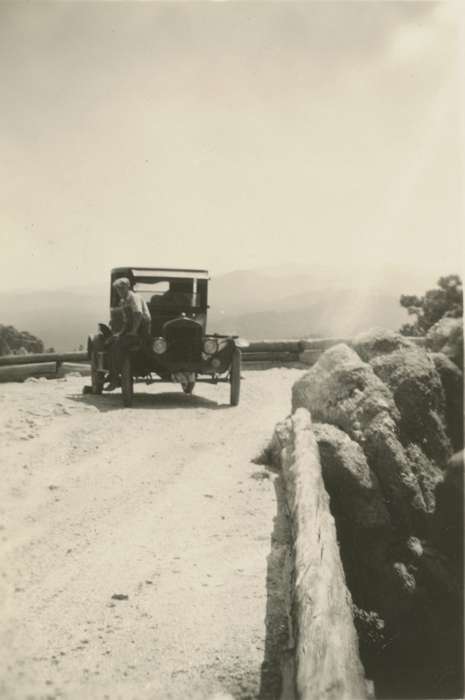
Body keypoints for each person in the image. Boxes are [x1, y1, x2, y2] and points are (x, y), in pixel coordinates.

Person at [105, 278, 151, 390]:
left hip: (142, 330)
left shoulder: (133, 298)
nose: (119, 291)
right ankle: (114, 374)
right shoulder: (123, 301)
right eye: (117, 289)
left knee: (118, 346)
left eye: (121, 288)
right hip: (132, 329)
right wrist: (120, 333)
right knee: (111, 341)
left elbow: (138, 314)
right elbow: (126, 321)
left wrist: (134, 331)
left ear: (127, 287)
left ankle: (115, 378)